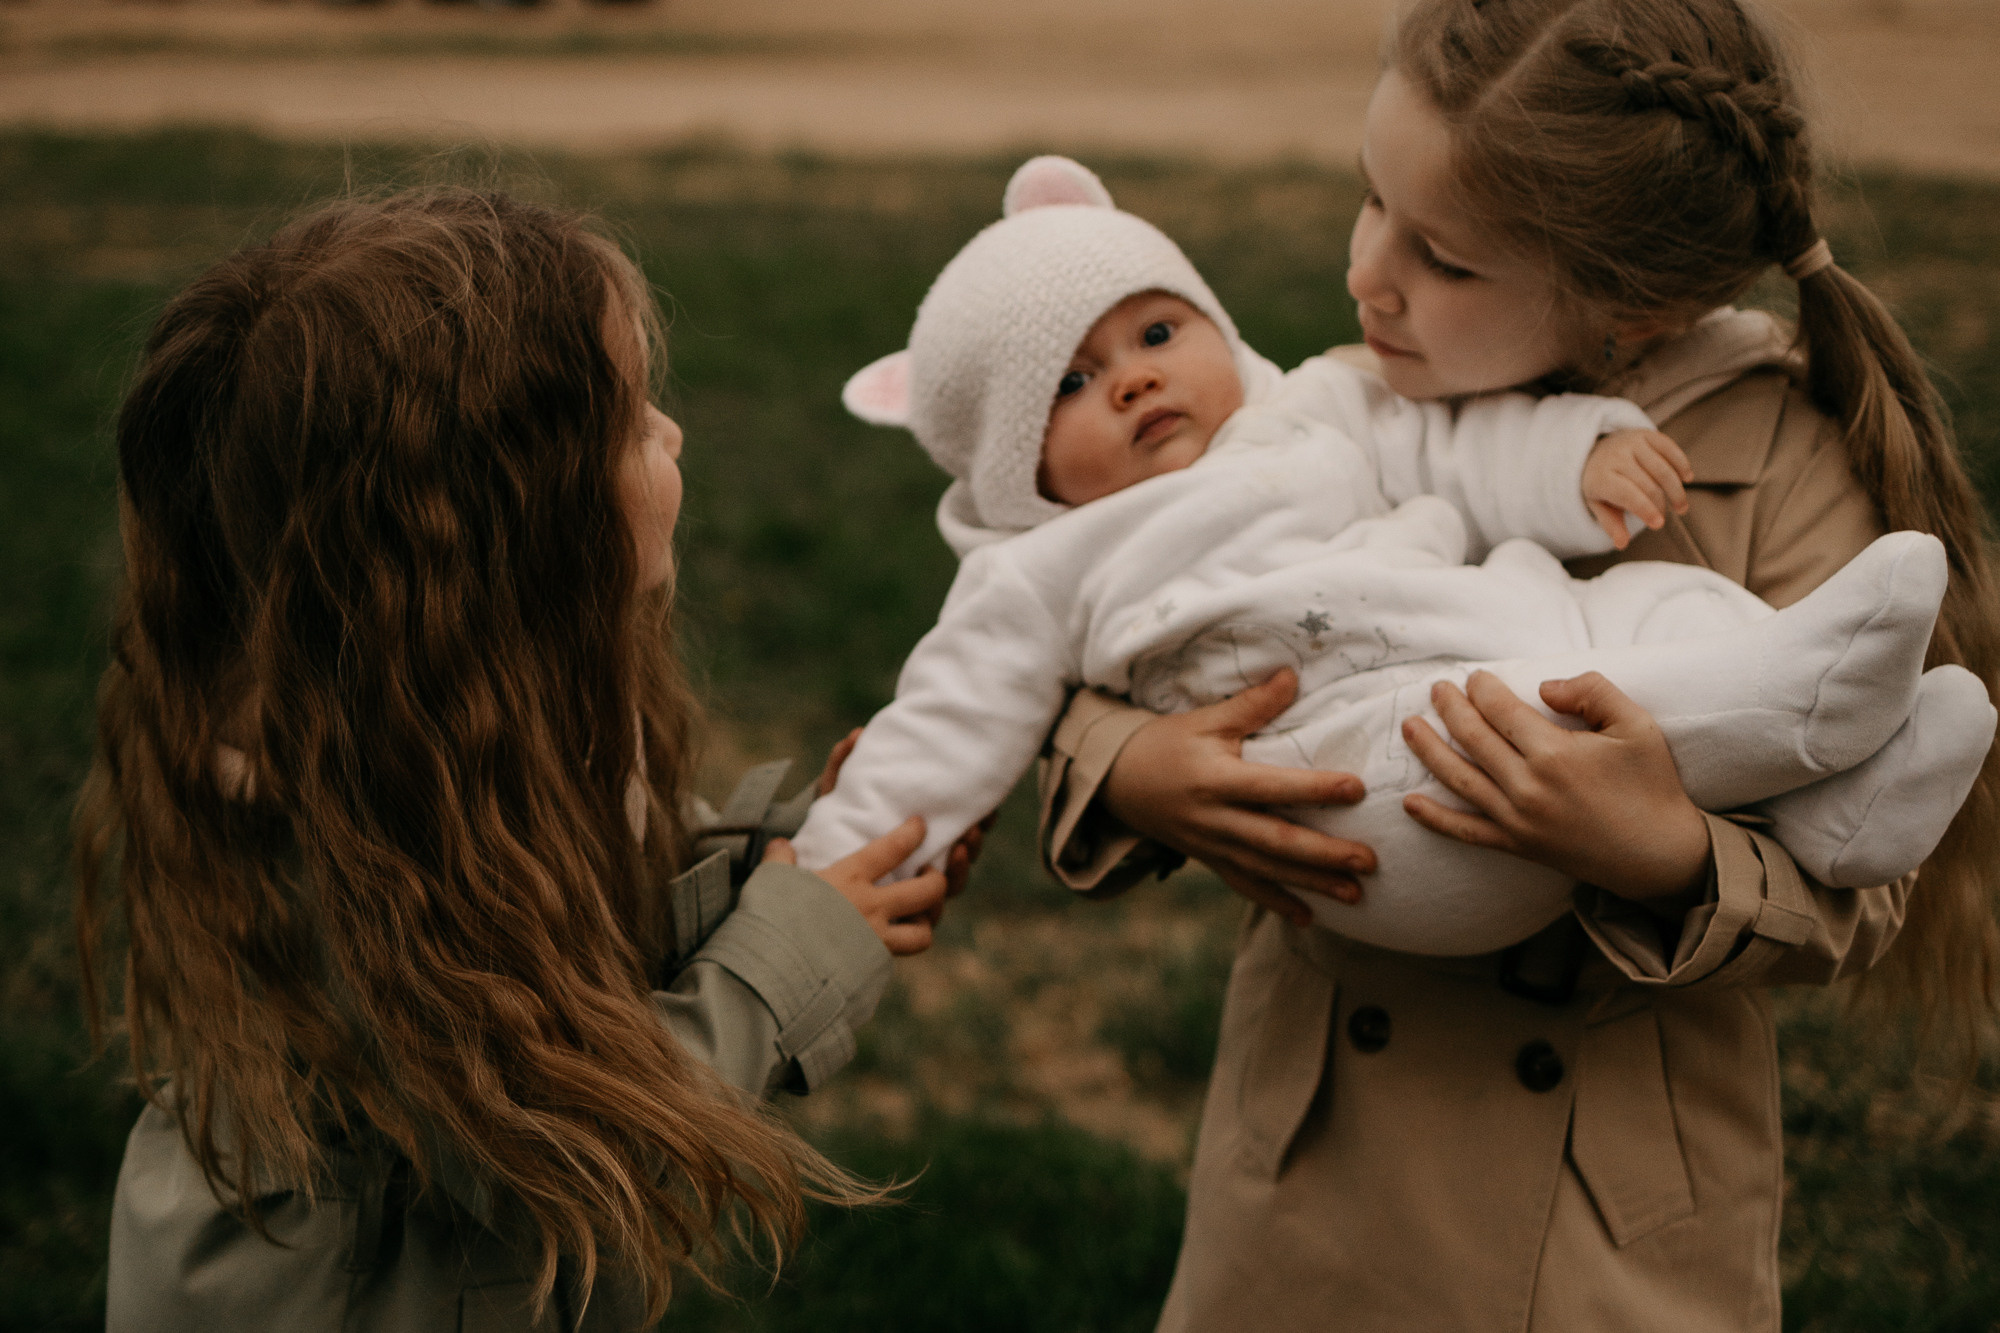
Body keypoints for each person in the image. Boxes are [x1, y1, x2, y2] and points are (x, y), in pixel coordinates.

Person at [1035, 1, 2000, 1328]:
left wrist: (1659, 848)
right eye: (1370, 198)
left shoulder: (1785, 466)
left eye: (1442, 255)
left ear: (1633, 302)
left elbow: (1862, 887)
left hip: (1601, 1222)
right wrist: (1130, 767)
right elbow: (1117, 613)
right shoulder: (1343, 404)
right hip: (1314, 1165)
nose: (1370, 273)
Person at [73, 188, 961, 1332]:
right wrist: (781, 960)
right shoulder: (349, 841)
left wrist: (767, 863)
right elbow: (560, 1130)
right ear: (516, 530)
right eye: (633, 422)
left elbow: (563, 902)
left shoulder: (443, 711)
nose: (673, 434)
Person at [792, 154, 1987, 959]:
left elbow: (1461, 453)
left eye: (1156, 332)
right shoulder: (1037, 567)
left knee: (1653, 600)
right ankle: (1803, 691)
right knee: (1523, 712)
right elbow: (948, 717)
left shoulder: (1320, 403)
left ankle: (1843, 790)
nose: (1136, 377)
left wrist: (1576, 459)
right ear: (1016, 469)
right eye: (1070, 384)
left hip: (1503, 638)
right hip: (1367, 766)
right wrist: (836, 869)